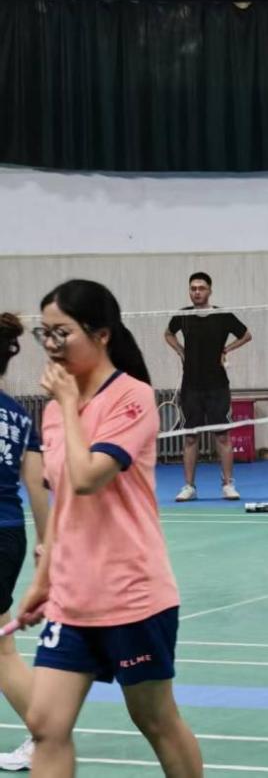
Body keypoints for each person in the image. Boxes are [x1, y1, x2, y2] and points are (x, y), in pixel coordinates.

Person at [19, 279, 202, 776]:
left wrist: (68, 407)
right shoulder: (54, 410)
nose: (51, 345)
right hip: (72, 598)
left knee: (155, 719)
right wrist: (43, 581)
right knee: (45, 723)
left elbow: (85, 479)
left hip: (131, 595)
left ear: (101, 334)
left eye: (62, 332)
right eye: (44, 334)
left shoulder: (132, 398)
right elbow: (63, 506)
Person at [0, 315, 50, 772]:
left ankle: (48, 737)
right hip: (10, 535)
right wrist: (46, 548)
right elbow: (37, 489)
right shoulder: (19, 417)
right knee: (2, 651)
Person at [163, 272, 251, 502]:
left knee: (222, 436)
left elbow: (246, 335)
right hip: (191, 386)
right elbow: (168, 333)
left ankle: (228, 484)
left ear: (210, 290)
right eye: (193, 288)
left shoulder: (222, 315)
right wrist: (180, 351)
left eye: (201, 288)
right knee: (190, 437)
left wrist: (226, 349)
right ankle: (189, 487)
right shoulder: (183, 316)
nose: (197, 292)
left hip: (217, 385)